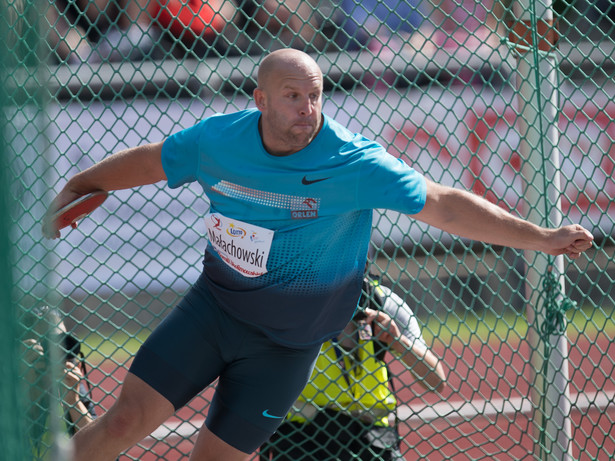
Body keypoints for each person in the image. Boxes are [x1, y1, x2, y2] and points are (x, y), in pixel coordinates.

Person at [42, 49, 593, 461]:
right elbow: (152, 162)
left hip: (285, 350)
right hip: (212, 314)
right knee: (122, 424)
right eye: (291, 96)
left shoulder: (353, 162)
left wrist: (541, 238)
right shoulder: (217, 142)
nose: (308, 109)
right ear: (259, 100)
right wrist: (85, 184)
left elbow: (445, 205)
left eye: (316, 95)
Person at [259, 268, 446, 460]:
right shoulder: (290, 303)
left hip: (372, 438)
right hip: (303, 438)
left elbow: (436, 382)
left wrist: (399, 342)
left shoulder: (384, 301)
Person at [22, 307, 97, 458]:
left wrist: (74, 402)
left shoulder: (68, 377)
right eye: (47, 343)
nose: (57, 351)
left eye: (62, 340)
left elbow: (104, 451)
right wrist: (26, 388)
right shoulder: (11, 381)